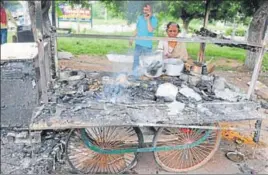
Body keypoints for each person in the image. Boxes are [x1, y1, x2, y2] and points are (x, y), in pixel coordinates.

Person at [129, 3, 158, 77]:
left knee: (147, 62)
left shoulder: (154, 19)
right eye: (144, 9)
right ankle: (135, 75)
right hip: (138, 44)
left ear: (151, 11)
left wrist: (148, 19)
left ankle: (146, 76)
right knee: (136, 60)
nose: (145, 11)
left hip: (147, 45)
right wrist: (132, 38)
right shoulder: (140, 18)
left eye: (147, 10)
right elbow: (137, 29)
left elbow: (150, 30)